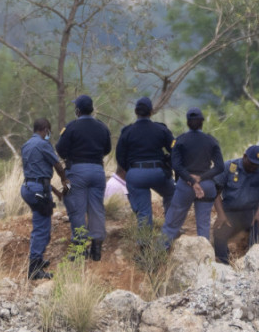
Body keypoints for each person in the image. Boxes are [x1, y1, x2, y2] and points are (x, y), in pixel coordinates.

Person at [55, 95, 111, 261]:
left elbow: (60, 149)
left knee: (77, 209)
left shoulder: (71, 127)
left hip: (77, 171)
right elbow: (107, 149)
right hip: (98, 170)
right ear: (92, 109)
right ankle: (96, 247)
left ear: (77, 110)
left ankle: (80, 249)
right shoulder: (102, 127)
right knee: (96, 208)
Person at [160, 107, 225, 244]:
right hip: (206, 186)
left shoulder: (180, 140)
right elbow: (220, 167)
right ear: (202, 122)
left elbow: (176, 166)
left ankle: (157, 256)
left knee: (172, 224)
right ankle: (205, 260)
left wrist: (191, 180)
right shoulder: (211, 141)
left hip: (185, 185)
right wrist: (201, 178)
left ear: (187, 122)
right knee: (203, 225)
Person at [115, 96, 175, 228]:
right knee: (171, 193)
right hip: (158, 172)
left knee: (144, 212)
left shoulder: (127, 131)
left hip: (136, 174)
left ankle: (144, 244)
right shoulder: (161, 129)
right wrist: (169, 163)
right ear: (151, 112)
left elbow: (119, 155)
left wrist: (130, 170)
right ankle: (171, 228)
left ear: (136, 112)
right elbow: (175, 149)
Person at [21, 118, 70, 279]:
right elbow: (57, 165)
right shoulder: (43, 144)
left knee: (42, 224)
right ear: (45, 129)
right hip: (39, 190)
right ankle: (34, 270)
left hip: (29, 188)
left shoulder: (26, 145)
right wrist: (64, 179)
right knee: (41, 229)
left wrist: (55, 192)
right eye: (49, 131)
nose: (49, 134)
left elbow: (38, 175)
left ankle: (39, 261)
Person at [211, 145, 259, 264]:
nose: (254, 167)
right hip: (230, 213)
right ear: (245, 157)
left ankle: (254, 262)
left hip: (252, 212)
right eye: (251, 163)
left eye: (257, 164)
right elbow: (215, 192)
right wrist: (221, 215)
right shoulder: (229, 167)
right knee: (219, 231)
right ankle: (224, 264)